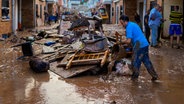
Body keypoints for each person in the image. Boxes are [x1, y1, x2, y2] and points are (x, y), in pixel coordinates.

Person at [119, 15, 158, 81]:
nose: (122, 25)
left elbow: (128, 41)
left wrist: (120, 42)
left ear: (125, 21)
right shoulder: (133, 24)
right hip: (145, 43)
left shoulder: (128, 27)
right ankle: (154, 75)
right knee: (146, 61)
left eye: (122, 23)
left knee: (135, 61)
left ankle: (134, 79)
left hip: (138, 44)